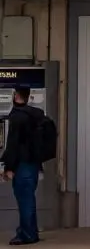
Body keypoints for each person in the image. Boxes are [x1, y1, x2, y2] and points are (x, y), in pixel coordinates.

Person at [1, 87, 43, 245]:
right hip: (33, 163)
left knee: (24, 200)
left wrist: (9, 168)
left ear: (16, 95)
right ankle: (31, 231)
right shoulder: (35, 114)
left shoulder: (17, 117)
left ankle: (27, 235)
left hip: (22, 165)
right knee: (29, 199)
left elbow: (13, 145)